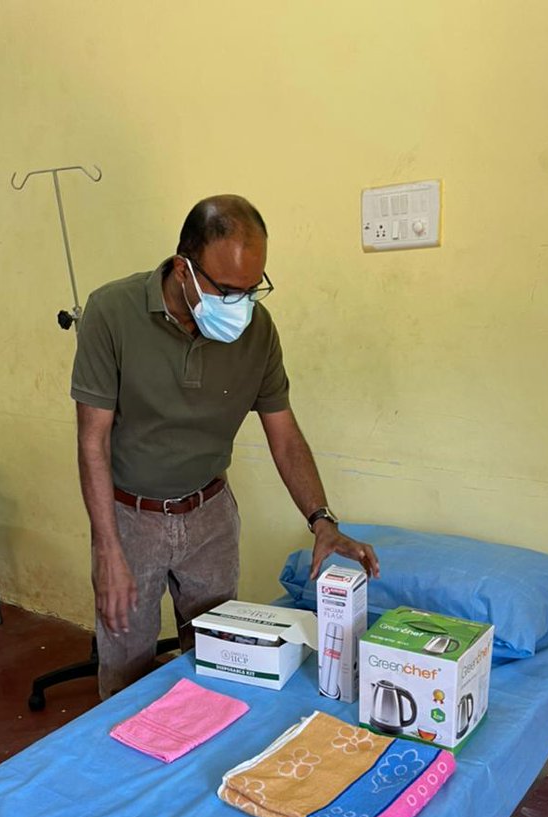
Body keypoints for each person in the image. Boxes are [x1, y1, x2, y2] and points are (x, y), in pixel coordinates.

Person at [72, 194, 380, 697]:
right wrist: (107, 550)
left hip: (210, 516)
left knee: (219, 662)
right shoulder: (112, 312)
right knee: (126, 670)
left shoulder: (257, 330)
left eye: (252, 289)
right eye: (229, 290)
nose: (241, 304)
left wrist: (322, 520)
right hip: (130, 518)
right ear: (183, 270)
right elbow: (92, 441)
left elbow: (285, 436)